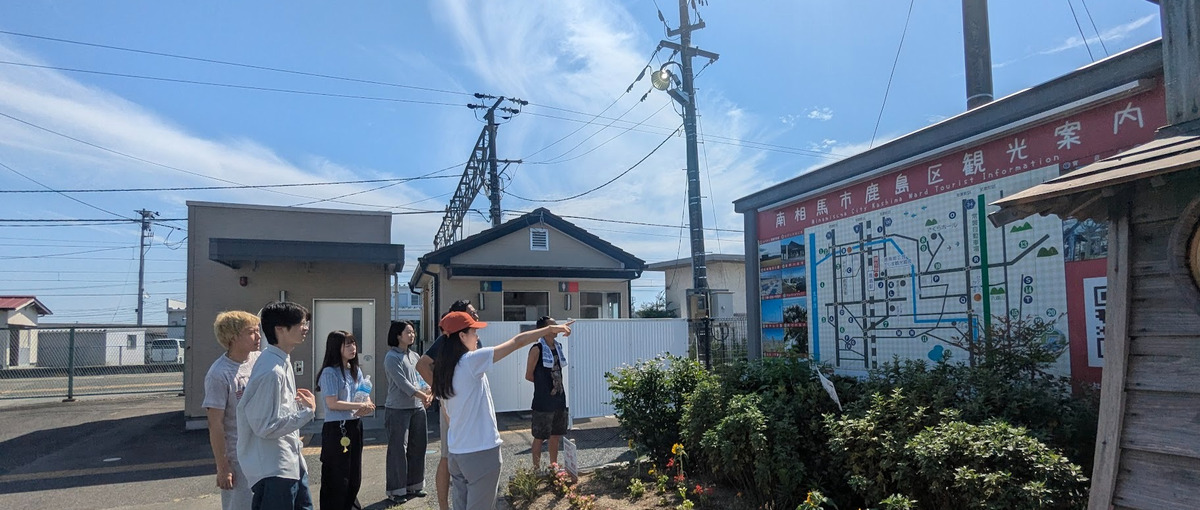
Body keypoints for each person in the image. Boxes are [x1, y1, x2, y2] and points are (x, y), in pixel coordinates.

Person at [432, 311, 573, 510]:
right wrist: (549, 329)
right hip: (480, 453)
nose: (477, 337)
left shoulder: (443, 369)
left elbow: (447, 413)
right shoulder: (470, 361)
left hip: (457, 453)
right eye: (473, 332)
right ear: (462, 337)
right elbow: (516, 342)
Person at [237, 301, 316, 510]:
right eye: (301, 324)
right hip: (274, 468)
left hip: (287, 463)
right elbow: (264, 426)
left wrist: (298, 408)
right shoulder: (271, 371)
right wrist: (307, 412)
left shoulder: (280, 361)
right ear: (280, 329)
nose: (306, 328)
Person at [416, 299, 477, 510]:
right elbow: (422, 364)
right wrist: (443, 391)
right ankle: (444, 506)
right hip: (453, 409)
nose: (476, 315)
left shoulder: (471, 337)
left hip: (474, 408)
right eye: (471, 313)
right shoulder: (447, 340)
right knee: (447, 456)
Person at [204, 310, 263, 510]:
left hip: (263, 449)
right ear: (232, 337)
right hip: (238, 456)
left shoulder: (259, 360)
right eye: (251, 332)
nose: (258, 337)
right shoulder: (219, 373)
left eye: (257, 330)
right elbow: (215, 424)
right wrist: (223, 466)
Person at [315, 330, 375, 510]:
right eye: (347, 344)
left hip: (354, 424)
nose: (353, 348)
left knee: (354, 474)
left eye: (354, 343)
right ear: (336, 347)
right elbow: (332, 403)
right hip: (336, 428)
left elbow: (364, 395)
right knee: (337, 476)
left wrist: (367, 405)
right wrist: (356, 407)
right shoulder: (329, 372)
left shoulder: (355, 370)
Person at [383, 320, 433, 504]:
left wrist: (429, 391)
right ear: (398, 335)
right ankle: (397, 490)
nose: (412, 335)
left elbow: (421, 378)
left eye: (413, 332)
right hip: (397, 409)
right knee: (398, 450)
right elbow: (403, 383)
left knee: (418, 446)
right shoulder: (391, 357)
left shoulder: (414, 355)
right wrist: (423, 396)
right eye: (408, 332)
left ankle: (415, 485)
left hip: (417, 408)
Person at [524, 316, 569, 471]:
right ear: (544, 329)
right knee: (539, 436)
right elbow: (529, 375)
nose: (556, 327)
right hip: (543, 401)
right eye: (552, 325)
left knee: (556, 435)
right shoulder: (536, 349)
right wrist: (544, 387)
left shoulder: (558, 347)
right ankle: (536, 470)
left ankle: (553, 467)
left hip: (559, 399)